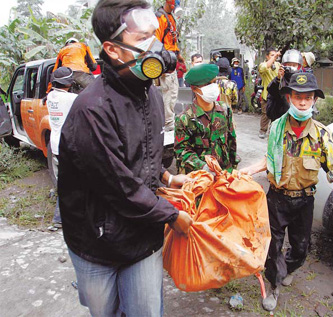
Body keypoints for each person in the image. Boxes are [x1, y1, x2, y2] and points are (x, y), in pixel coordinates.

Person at [58, 2, 193, 316]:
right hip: (97, 243)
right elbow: (120, 186)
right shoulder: (92, 109)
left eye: (154, 37)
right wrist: (173, 215)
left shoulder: (154, 97)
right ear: (113, 50)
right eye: (143, 40)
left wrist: (167, 177)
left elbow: (143, 156)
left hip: (143, 238)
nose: (156, 49)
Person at [240, 72, 333, 311]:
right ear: (289, 98)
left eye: (308, 97)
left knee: (301, 248)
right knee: (272, 248)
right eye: (298, 96)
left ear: (314, 100)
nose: (303, 102)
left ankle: (289, 267)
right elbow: (269, 160)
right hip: (276, 199)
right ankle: (274, 286)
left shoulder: (322, 135)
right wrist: (246, 171)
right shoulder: (276, 128)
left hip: (304, 201)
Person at [174, 64, 238, 174]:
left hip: (223, 176)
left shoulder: (225, 110)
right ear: (194, 88)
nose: (213, 87)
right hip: (199, 178)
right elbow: (182, 152)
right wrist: (204, 168)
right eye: (208, 84)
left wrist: (233, 170)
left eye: (214, 82)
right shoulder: (184, 119)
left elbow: (232, 142)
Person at [46, 67, 78, 229]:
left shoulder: (50, 96)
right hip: (69, 147)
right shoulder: (71, 99)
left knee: (63, 184)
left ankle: (59, 219)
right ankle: (59, 219)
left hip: (56, 146)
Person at [156, 0, 181, 131]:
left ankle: (168, 120)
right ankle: (168, 122)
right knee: (169, 91)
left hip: (172, 57)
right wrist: (163, 60)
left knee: (173, 91)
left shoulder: (170, 17)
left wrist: (179, 56)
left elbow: (172, 39)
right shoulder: (160, 17)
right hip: (166, 59)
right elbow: (156, 41)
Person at [266, 49, 304, 121]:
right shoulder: (279, 80)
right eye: (288, 64)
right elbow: (272, 91)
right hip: (279, 120)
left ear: (299, 66)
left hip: (297, 120)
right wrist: (278, 79)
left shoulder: (302, 81)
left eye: (294, 65)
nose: (291, 67)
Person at [258, 48, 281, 138]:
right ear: (267, 56)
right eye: (272, 55)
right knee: (266, 113)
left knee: (276, 114)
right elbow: (264, 68)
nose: (274, 57)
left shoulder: (278, 65)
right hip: (266, 94)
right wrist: (274, 57)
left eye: (275, 55)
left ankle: (273, 130)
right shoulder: (263, 65)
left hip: (277, 94)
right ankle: (263, 130)